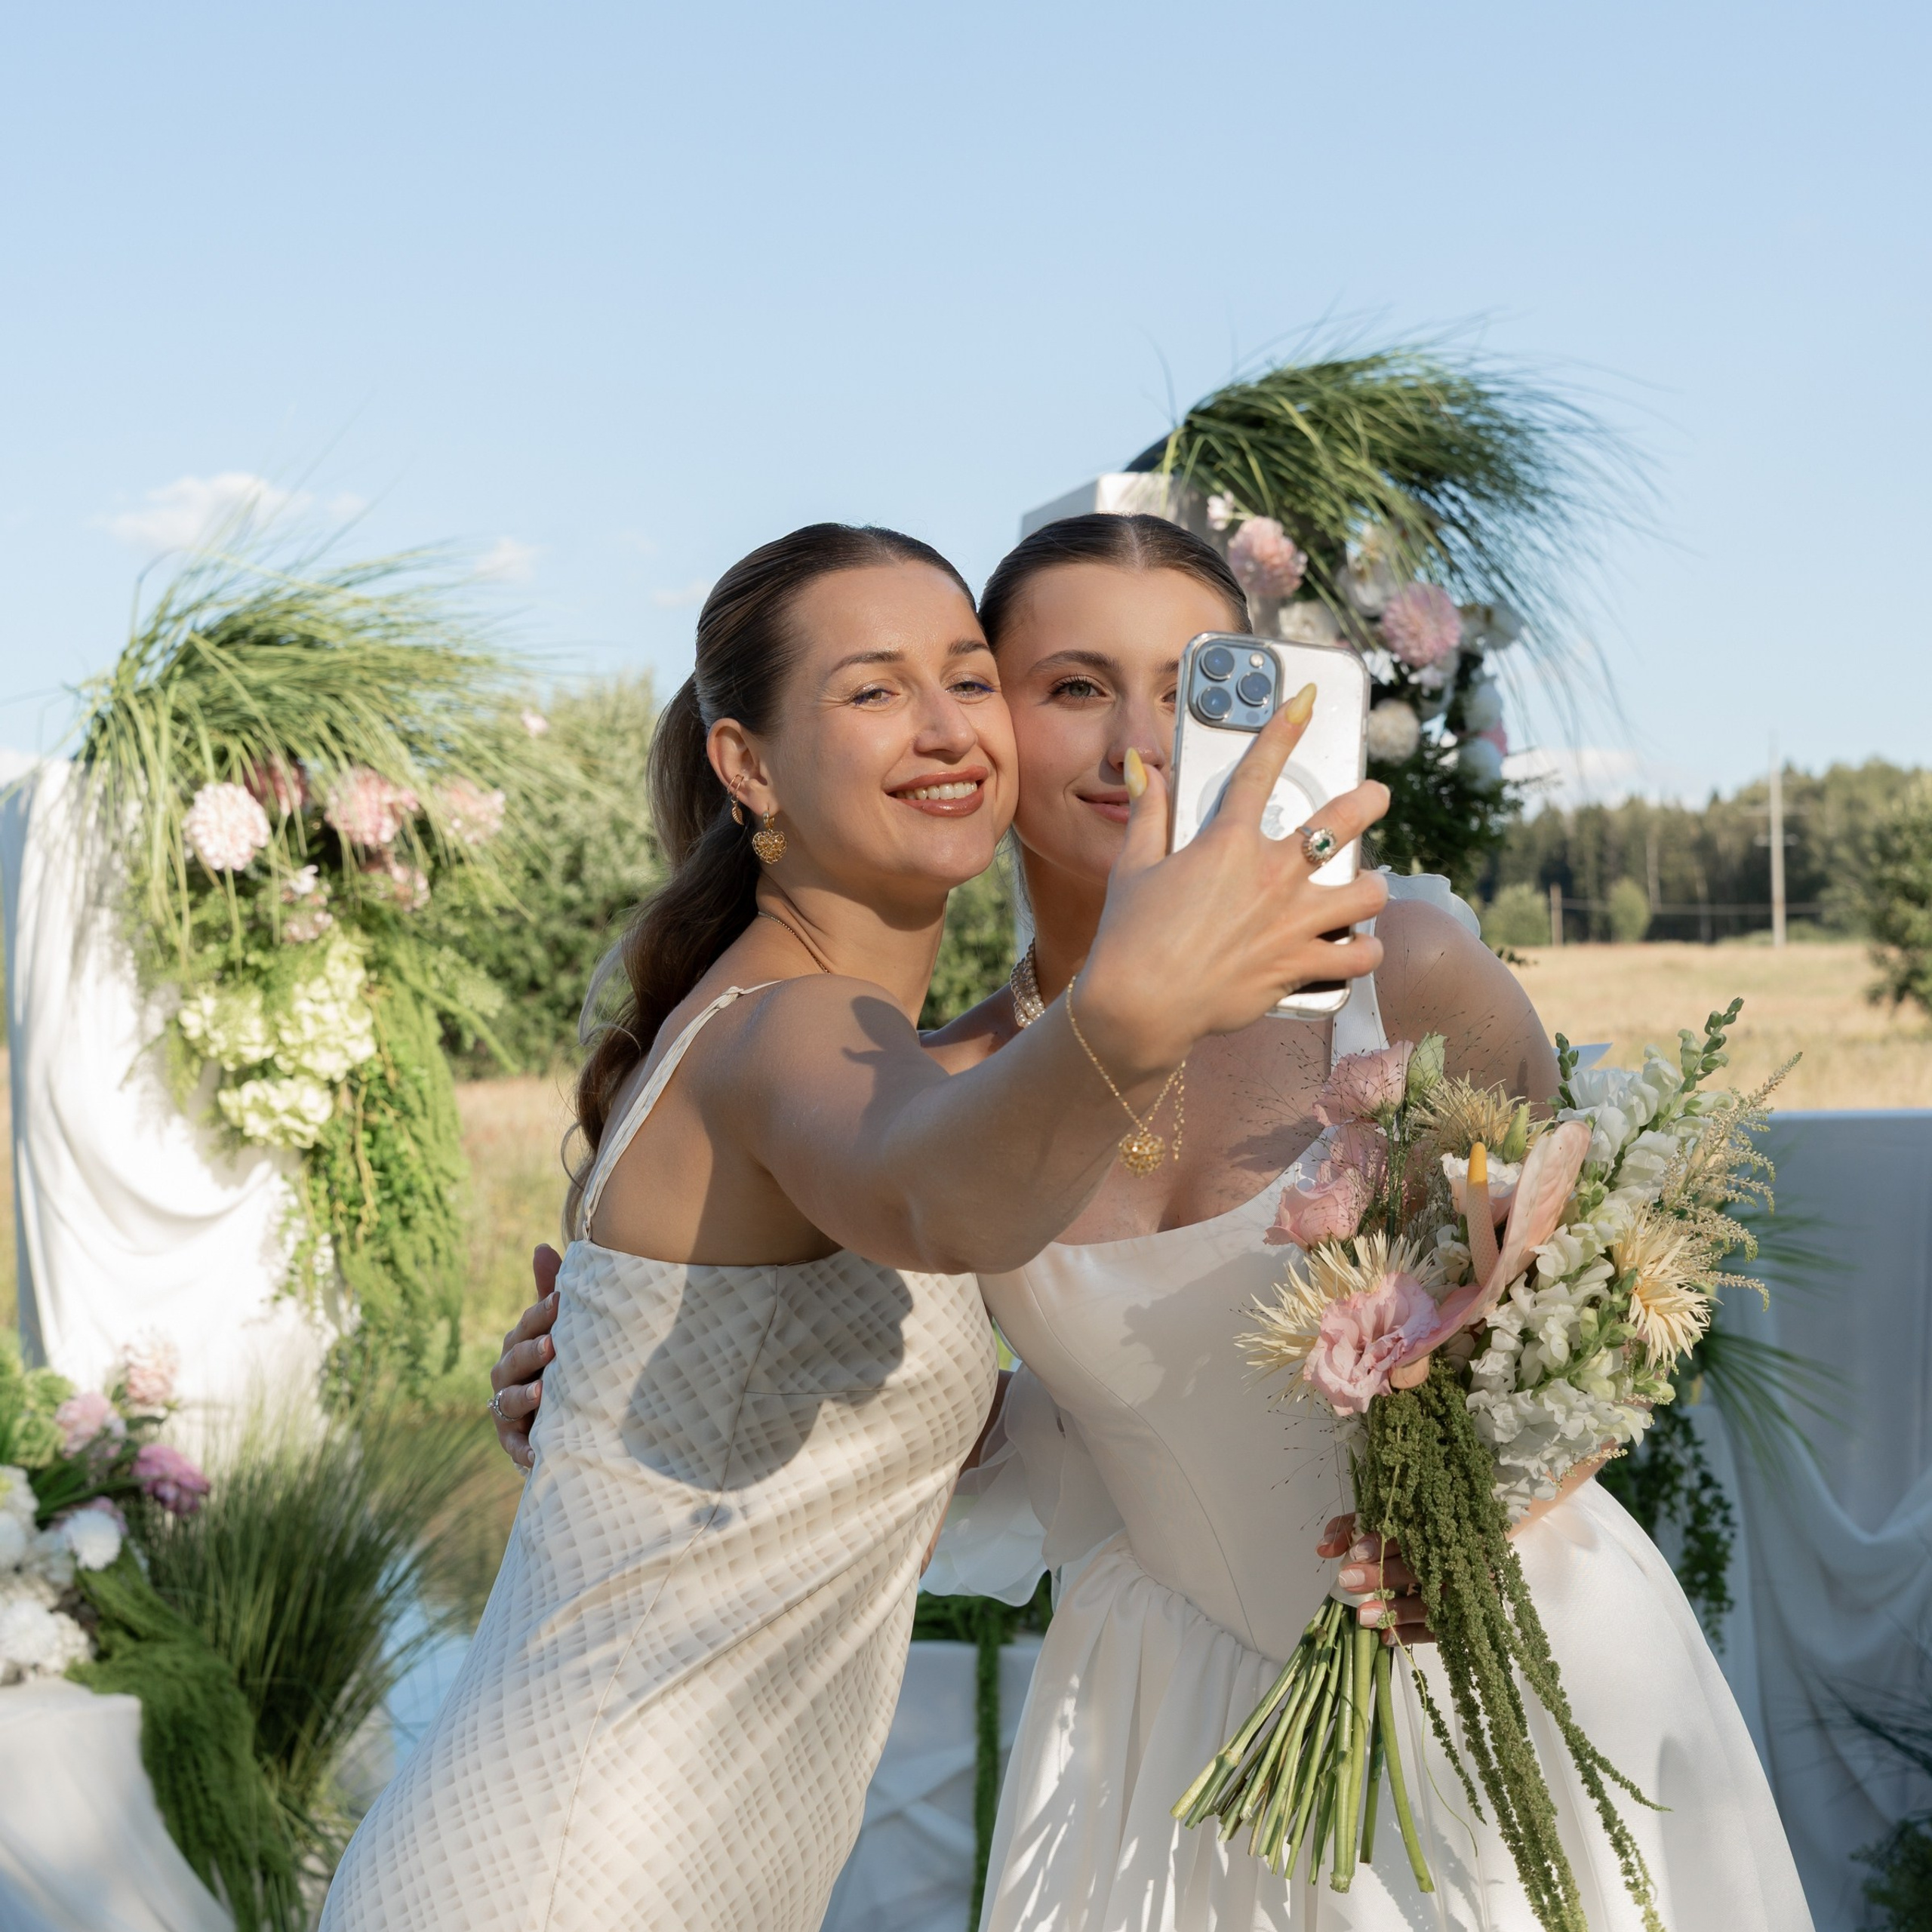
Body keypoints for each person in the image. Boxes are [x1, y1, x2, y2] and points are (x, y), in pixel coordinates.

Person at [496, 514, 1812, 1932]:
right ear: (990, 722)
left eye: (1197, 691)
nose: (1144, 743)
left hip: (1494, 1668)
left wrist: (1489, 1504)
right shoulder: (942, 1101)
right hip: (1176, 1742)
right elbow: (938, 1432)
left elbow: (1599, 1310)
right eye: (1071, 688)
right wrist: (630, 1374)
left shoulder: (1408, 976)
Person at [321, 521, 1389, 1932]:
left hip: (675, 1848)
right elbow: (944, 1201)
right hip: (583, 1858)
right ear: (747, 764)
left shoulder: (892, 1055)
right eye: (874, 691)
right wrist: (1147, 999)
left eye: (966, 678)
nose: (945, 730)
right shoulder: (791, 1028)